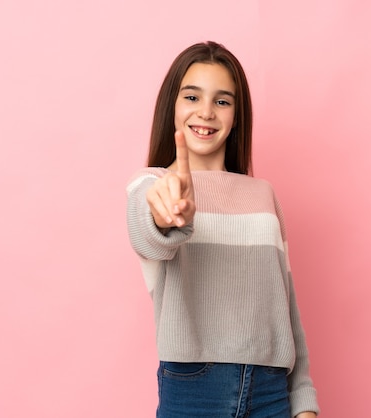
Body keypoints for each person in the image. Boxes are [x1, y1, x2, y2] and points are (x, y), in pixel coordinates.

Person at [126, 41, 320, 418]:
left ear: (236, 114)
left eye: (222, 101)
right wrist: (169, 214)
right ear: (173, 105)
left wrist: (304, 399)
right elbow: (148, 232)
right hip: (193, 391)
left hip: (272, 394)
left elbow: (286, 308)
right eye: (192, 96)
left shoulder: (263, 195)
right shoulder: (149, 184)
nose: (206, 112)